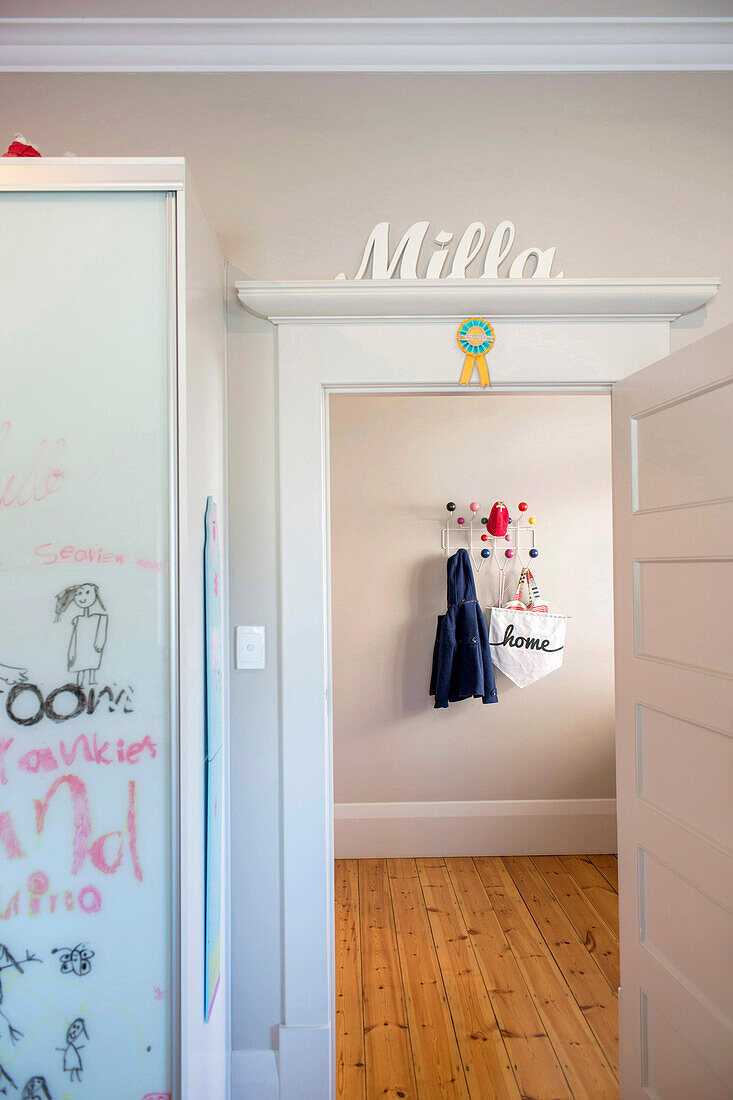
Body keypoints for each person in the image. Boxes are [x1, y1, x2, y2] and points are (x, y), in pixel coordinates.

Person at [54, 584, 108, 687]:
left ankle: (91, 679)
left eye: (87, 593)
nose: (83, 597)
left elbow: (101, 632)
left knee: (91, 663)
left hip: (93, 648)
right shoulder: (78, 620)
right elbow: (74, 638)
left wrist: (99, 643)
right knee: (80, 664)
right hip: (80, 649)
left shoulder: (100, 618)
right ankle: (80, 683)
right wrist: (71, 653)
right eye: (79, 593)